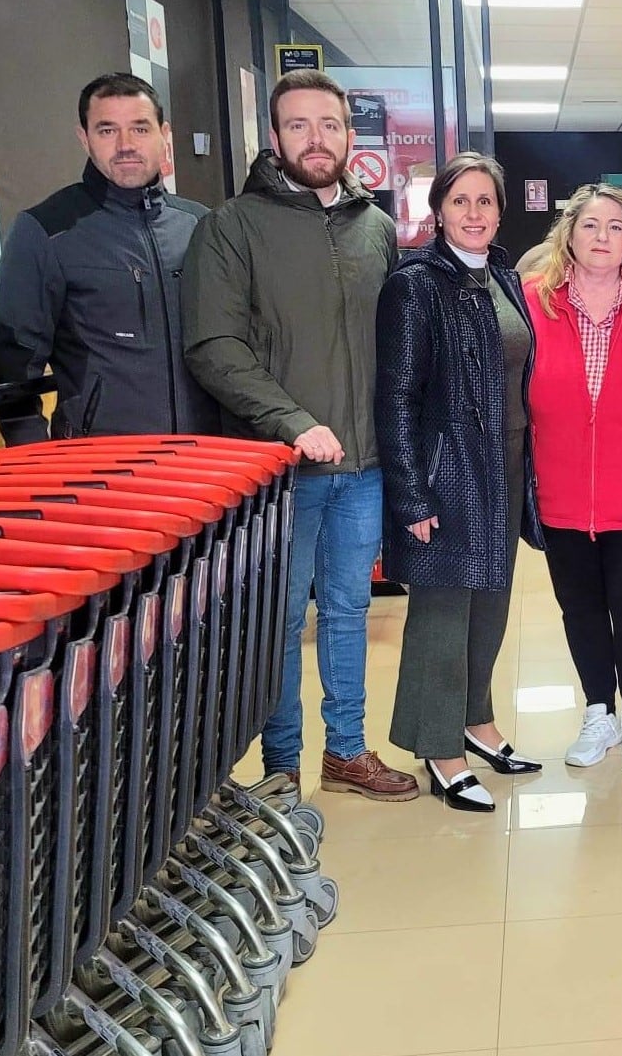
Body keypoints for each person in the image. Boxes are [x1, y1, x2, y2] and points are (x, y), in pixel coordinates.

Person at [182, 69, 417, 803]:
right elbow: (214, 345)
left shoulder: (376, 227)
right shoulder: (233, 226)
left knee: (350, 611)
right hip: (281, 471)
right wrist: (293, 423)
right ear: (274, 137)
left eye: (330, 125)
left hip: (365, 465)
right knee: (280, 620)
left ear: (350, 136)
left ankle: (346, 750)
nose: (316, 139)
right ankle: (281, 765)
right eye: (298, 126)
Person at [378, 152, 545, 812]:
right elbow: (396, 396)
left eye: (486, 202)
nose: (474, 214)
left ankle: (476, 720)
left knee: (491, 600)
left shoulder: (502, 277)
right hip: (447, 465)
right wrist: (413, 493)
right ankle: (437, 744)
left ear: (500, 211)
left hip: (503, 463)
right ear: (438, 210)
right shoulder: (415, 284)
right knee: (444, 610)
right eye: (461, 201)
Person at [525, 185, 622, 774]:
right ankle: (598, 712)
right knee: (579, 608)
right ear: (569, 235)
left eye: (616, 226)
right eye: (590, 226)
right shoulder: (535, 302)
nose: (603, 236)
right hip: (558, 488)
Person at [0, 73, 220, 444]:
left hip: (207, 463)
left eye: (140, 129)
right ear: (84, 138)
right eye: (107, 130)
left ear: (165, 135)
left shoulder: (203, 226)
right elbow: (15, 364)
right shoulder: (46, 230)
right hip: (100, 471)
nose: (126, 145)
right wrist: (35, 464)